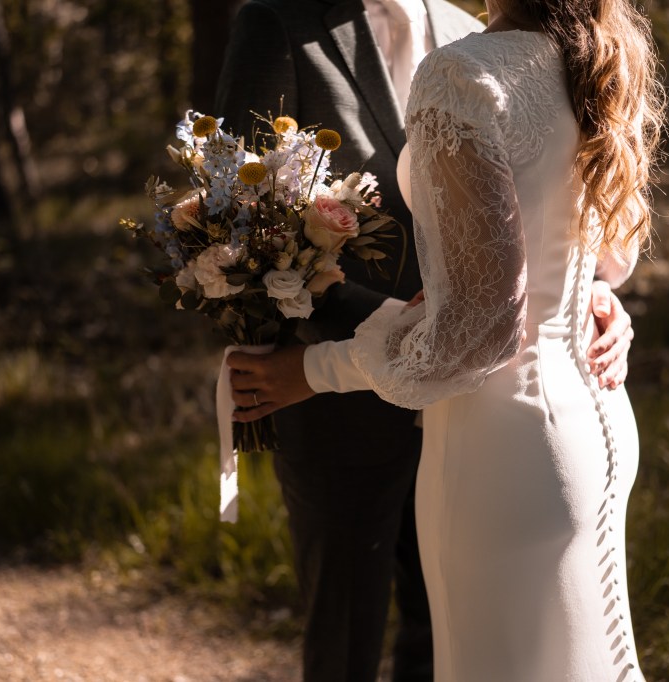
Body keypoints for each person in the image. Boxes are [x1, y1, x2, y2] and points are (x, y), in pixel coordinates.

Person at [215, 0, 640, 678]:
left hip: (491, 426)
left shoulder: (465, 50)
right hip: (562, 420)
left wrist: (318, 368)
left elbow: (504, 305)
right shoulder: (591, 49)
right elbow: (240, 210)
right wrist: (574, 292)